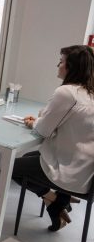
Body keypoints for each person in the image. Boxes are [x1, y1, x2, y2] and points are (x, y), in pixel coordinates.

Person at [11, 45, 94, 231]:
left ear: (71, 67)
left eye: (62, 61)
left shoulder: (67, 93)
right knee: (28, 158)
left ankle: (55, 201)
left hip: (68, 171)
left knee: (11, 168)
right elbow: (72, 127)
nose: (58, 65)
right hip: (86, 172)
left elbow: (43, 131)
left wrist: (35, 122)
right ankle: (59, 201)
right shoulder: (89, 94)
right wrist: (42, 121)